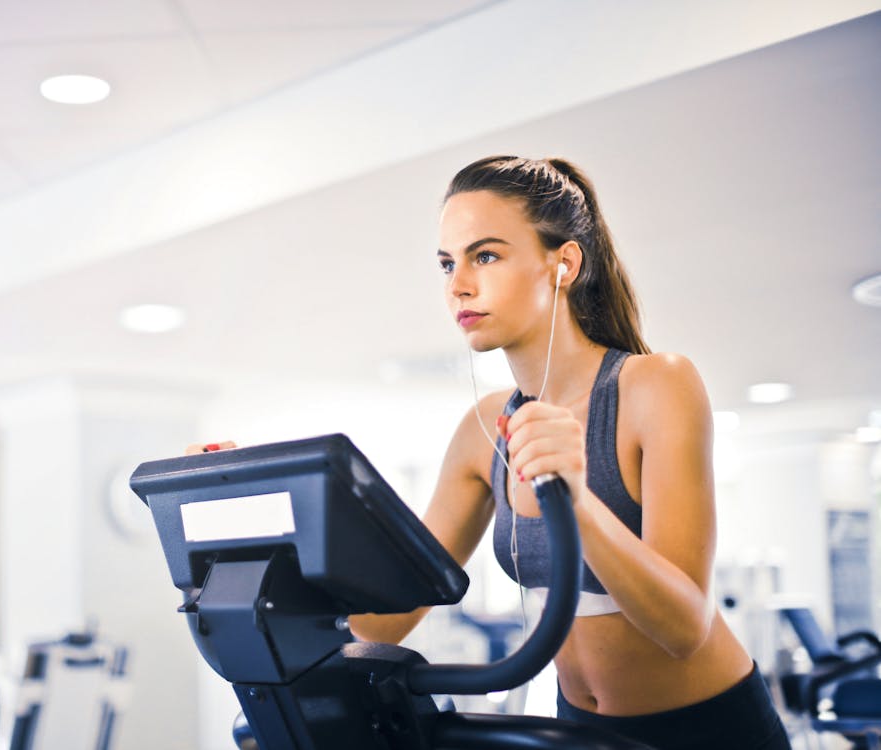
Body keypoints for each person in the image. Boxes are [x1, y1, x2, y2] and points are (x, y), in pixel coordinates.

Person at [190, 156, 791, 750]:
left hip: (710, 726)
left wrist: (575, 499)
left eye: (486, 255)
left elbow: (685, 627)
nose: (458, 285)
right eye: (448, 263)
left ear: (563, 264)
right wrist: (240, 540)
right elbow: (392, 616)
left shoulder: (654, 385)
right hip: (581, 730)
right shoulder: (484, 430)